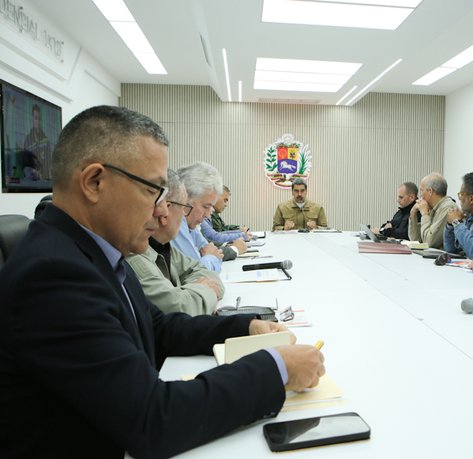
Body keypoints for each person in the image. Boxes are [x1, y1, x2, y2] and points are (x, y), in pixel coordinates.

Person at [0, 105, 325, 458]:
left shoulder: (90, 251)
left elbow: (158, 329)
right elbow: (153, 419)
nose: (162, 211)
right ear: (94, 182)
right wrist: (277, 369)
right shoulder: (53, 275)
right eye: (154, 191)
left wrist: (245, 327)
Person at [127, 169, 224, 315]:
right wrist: (203, 290)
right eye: (184, 207)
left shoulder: (163, 247)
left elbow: (206, 273)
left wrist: (190, 294)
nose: (184, 216)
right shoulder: (135, 254)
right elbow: (180, 308)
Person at [172, 162, 245, 271]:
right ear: (184, 199)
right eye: (206, 206)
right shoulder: (176, 222)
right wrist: (210, 259)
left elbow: (213, 253)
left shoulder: (191, 225)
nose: (207, 215)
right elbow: (198, 274)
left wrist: (209, 258)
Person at [408, 173, 456, 249]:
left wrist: (424, 214)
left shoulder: (448, 208)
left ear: (430, 191)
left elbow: (428, 243)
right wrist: (413, 213)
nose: (420, 196)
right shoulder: (432, 207)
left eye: (422, 191)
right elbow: (416, 240)